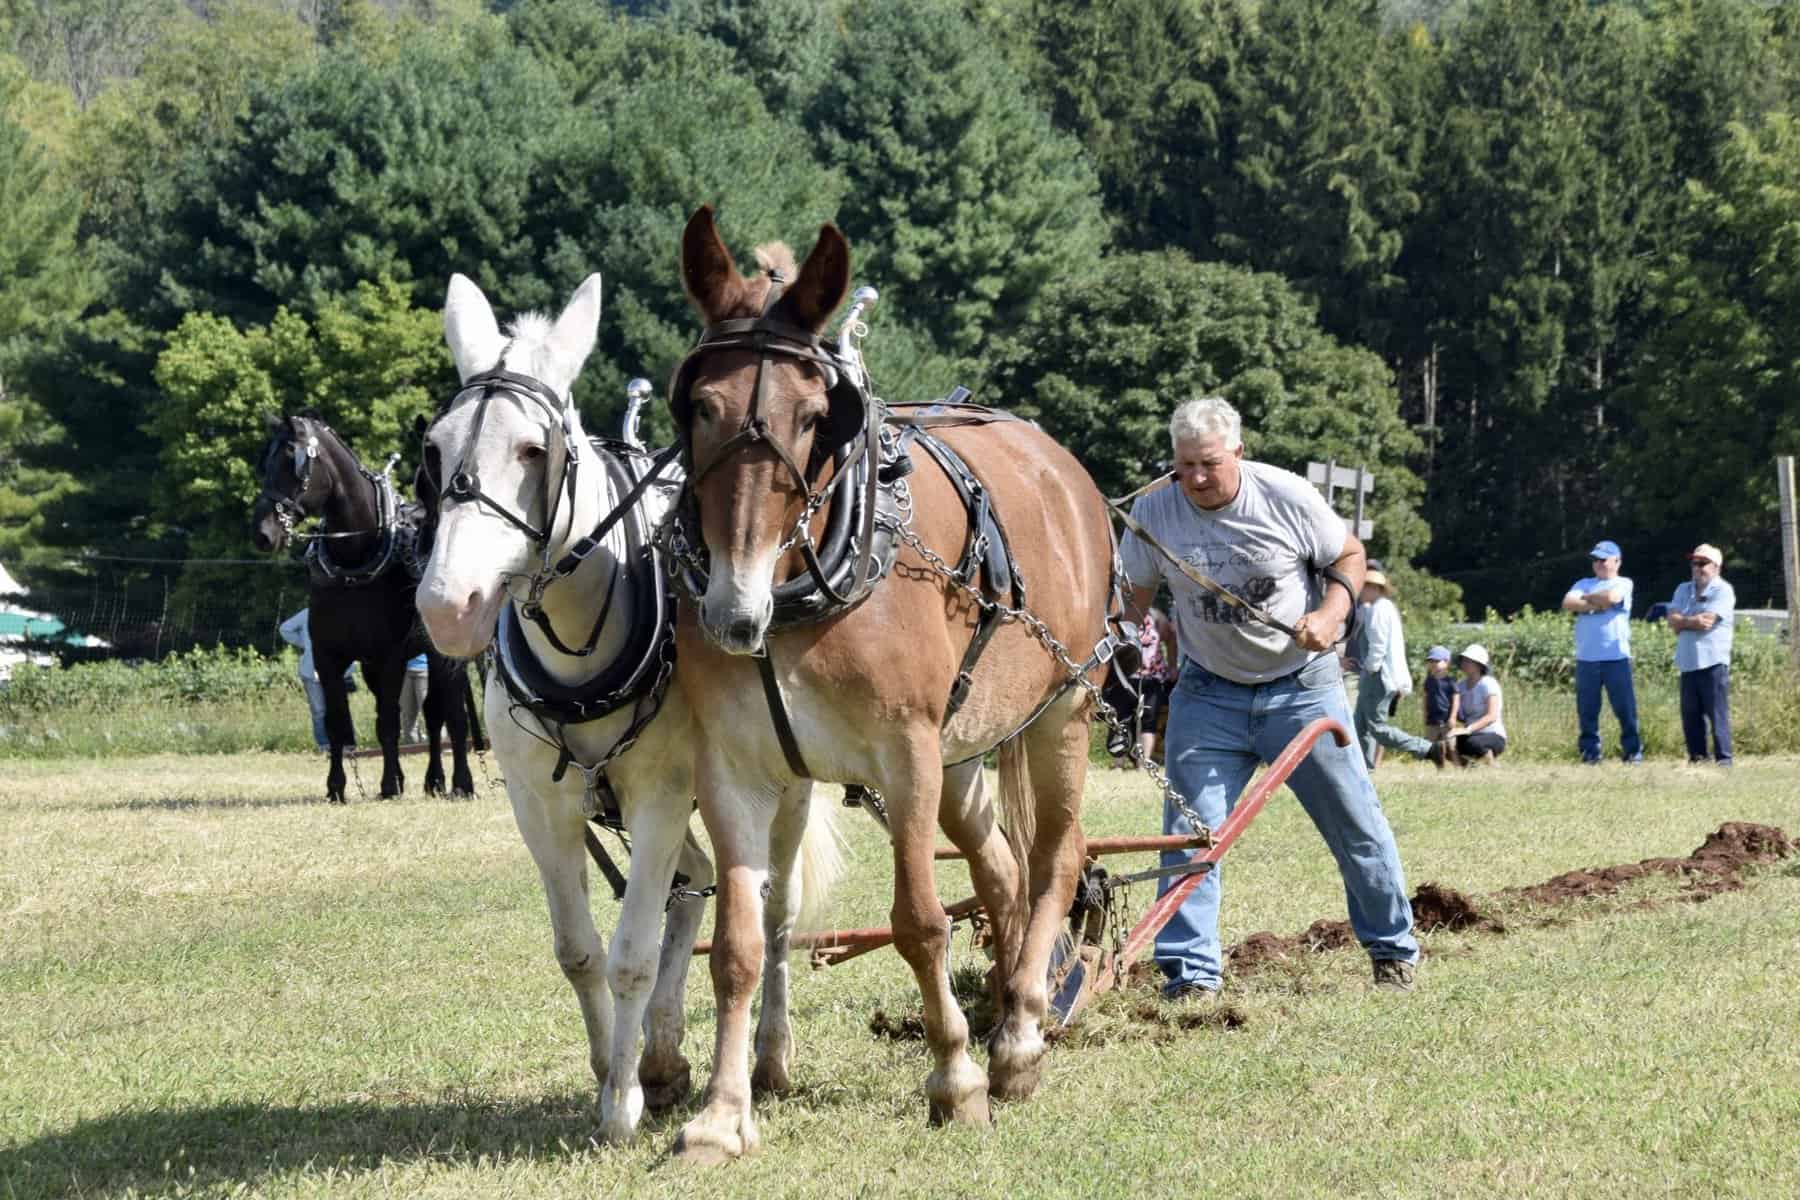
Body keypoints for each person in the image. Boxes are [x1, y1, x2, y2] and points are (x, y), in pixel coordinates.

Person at [1121, 396, 1420, 997]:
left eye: (1209, 464)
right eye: (1185, 466)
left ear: (1238, 451)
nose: (1197, 479)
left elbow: (1349, 555)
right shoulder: (1154, 510)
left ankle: (1392, 951)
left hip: (1303, 690)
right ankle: (1189, 977)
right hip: (1208, 695)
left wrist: (1331, 614)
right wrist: (1116, 646)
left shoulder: (1284, 496)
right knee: (1189, 832)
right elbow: (1131, 597)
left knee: (1355, 824)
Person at [1345, 569, 1442, 770]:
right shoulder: (1379, 607)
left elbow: (1378, 645)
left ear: (1373, 588)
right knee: (1360, 725)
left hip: (1378, 675)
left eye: (1363, 587)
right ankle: (1364, 767)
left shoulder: (1379, 610)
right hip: (1375, 675)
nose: (1359, 591)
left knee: (1377, 729)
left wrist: (1370, 669)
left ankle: (1428, 749)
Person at [1561, 539, 1642, 764]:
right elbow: (1568, 602)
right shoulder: (1583, 582)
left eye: (1603, 559)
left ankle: (1632, 753)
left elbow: (1612, 598)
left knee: (1625, 710)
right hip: (1587, 659)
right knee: (1587, 712)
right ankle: (1590, 755)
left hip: (1616, 659)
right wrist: (1596, 602)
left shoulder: (1624, 583)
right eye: (1595, 560)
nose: (1598, 564)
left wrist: (1585, 601)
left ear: (1617, 561)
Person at [1666, 543, 1735, 766]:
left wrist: (1683, 622)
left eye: (1703, 563)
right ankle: (1697, 759)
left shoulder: (1722, 590)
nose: (1697, 567)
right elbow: (1672, 621)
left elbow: (1706, 622)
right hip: (1687, 662)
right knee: (1690, 716)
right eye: (1694, 563)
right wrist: (1689, 622)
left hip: (1712, 661)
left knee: (1717, 716)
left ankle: (1724, 761)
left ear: (1716, 567)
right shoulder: (1682, 589)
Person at [278, 608, 356, 751]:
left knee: (338, 708)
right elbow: (285, 629)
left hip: (338, 670)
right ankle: (324, 745)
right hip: (311, 670)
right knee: (319, 710)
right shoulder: (308, 612)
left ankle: (347, 744)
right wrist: (305, 644)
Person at [1449, 644, 1506, 764]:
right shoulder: (1461, 686)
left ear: (1479, 665)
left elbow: (1492, 716)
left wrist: (1467, 730)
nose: (1464, 663)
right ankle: (1470, 768)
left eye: (1468, 661)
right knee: (1445, 745)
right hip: (1470, 734)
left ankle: (1491, 764)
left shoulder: (1488, 684)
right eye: (1463, 660)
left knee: (1473, 743)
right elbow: (1458, 713)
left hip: (1492, 734)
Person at [1421, 645, 1459, 744]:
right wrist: (1425, 713)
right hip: (1432, 720)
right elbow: (1425, 698)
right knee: (1430, 746)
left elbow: (1456, 700)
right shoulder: (1428, 681)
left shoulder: (1450, 682)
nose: (1433, 664)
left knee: (1450, 745)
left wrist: (1453, 717)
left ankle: (1455, 759)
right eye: (1431, 661)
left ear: (1447, 662)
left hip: (1446, 720)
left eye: (1437, 661)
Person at [398, 652, 430, 743]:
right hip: (403, 671)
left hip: (424, 668)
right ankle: (412, 747)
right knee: (407, 713)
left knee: (430, 711)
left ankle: (440, 744)